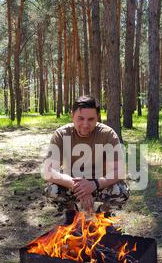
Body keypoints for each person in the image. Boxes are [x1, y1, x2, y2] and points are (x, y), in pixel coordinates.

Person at [42, 96, 129, 224]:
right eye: (80, 118)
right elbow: (48, 171)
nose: (85, 124)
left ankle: (103, 213)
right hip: (71, 183)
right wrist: (79, 187)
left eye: (91, 119)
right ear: (72, 116)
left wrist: (93, 184)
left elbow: (120, 170)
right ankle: (71, 213)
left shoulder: (108, 134)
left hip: (99, 183)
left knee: (122, 192)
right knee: (52, 191)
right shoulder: (61, 134)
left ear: (98, 117)